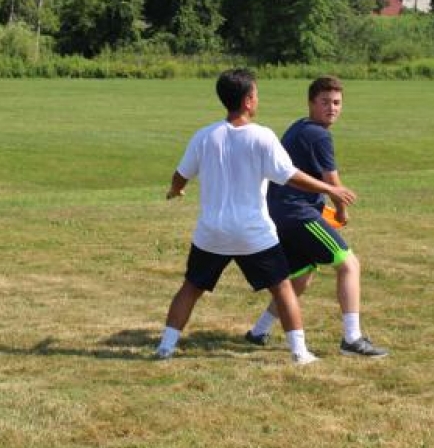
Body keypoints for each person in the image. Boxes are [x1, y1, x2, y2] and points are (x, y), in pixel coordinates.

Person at [154, 69, 357, 365]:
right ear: (249, 100)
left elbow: (180, 176)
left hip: (212, 233)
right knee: (283, 287)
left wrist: (175, 191)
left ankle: (165, 347)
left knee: (191, 287)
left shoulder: (205, 136)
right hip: (253, 233)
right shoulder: (262, 136)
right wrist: (330, 189)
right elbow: (290, 176)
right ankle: (300, 353)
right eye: (257, 94)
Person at [245, 76, 388, 358]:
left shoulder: (300, 127)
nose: (332, 108)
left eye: (336, 103)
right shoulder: (318, 134)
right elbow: (333, 182)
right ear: (311, 103)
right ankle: (352, 339)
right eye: (325, 102)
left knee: (300, 278)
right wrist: (342, 211)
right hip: (297, 214)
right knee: (349, 264)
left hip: (280, 212)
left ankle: (258, 331)